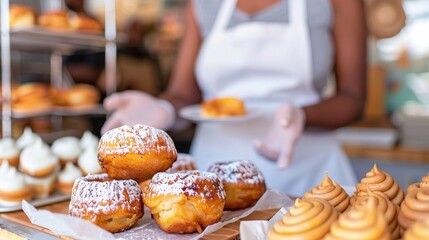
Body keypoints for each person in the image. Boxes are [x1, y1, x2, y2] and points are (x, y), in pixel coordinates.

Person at [102, 0, 367, 196]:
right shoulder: (203, 5)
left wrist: (303, 115)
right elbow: (184, 94)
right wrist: (164, 109)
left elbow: (353, 98)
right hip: (213, 177)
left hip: (310, 177)